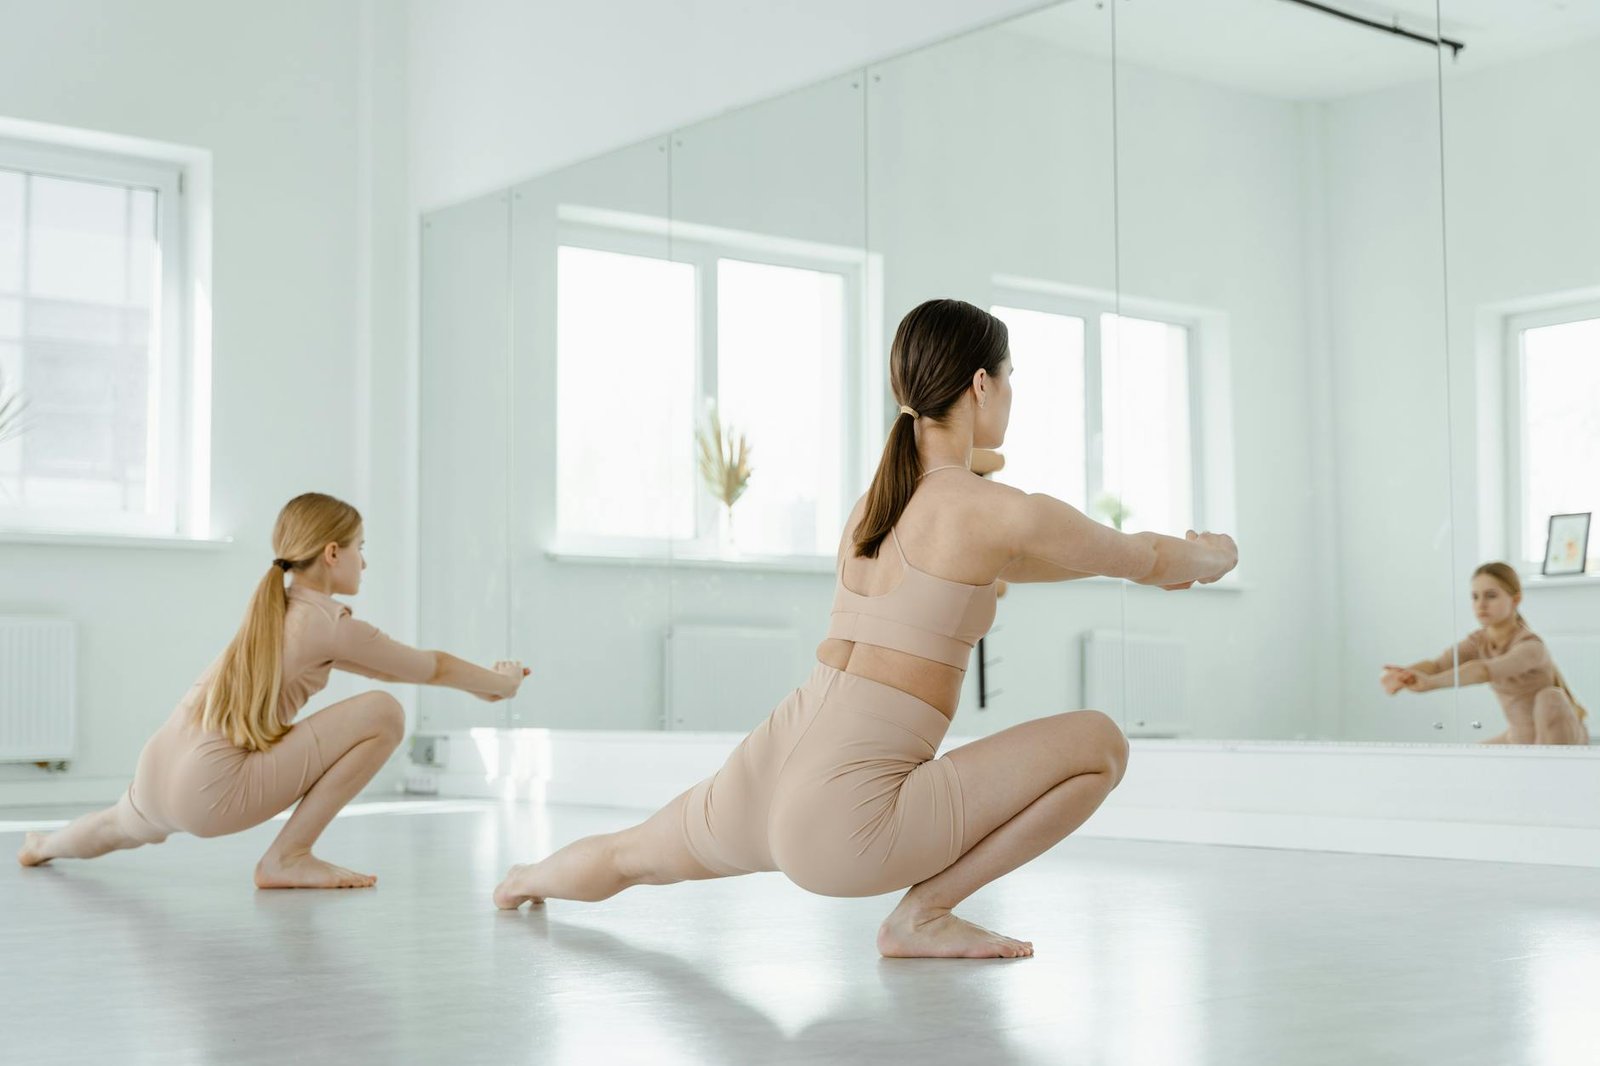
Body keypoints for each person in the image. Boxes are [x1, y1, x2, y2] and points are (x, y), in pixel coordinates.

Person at [494, 298, 1238, 957]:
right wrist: (1211, 556)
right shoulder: (996, 509)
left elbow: (1039, 561)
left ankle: (523, 879)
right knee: (1100, 743)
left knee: (629, 856)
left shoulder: (874, 507)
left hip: (771, 764)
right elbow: (1141, 556)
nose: (1013, 394)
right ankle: (923, 915)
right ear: (982, 384)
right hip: (849, 817)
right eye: (1010, 377)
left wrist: (1146, 562)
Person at [18, 492, 529, 887]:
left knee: (113, 827)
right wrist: (501, 683)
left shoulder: (273, 610)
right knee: (384, 713)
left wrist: (485, 688)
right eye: (361, 548)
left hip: (155, 772)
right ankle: (288, 856)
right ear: (333, 552)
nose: (365, 562)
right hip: (210, 792)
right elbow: (429, 668)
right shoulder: (327, 624)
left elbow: (391, 667)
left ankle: (43, 846)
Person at [1383, 562, 1589, 745]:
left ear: (1515, 599)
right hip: (1522, 737)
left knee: (1550, 697)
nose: (1481, 604)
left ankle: (1546, 765)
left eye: (1491, 596)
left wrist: (1430, 683)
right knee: (1468, 759)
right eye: (1475, 597)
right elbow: (1438, 665)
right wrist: (1404, 674)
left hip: (1560, 736)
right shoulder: (1478, 641)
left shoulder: (1531, 646)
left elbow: (1483, 671)